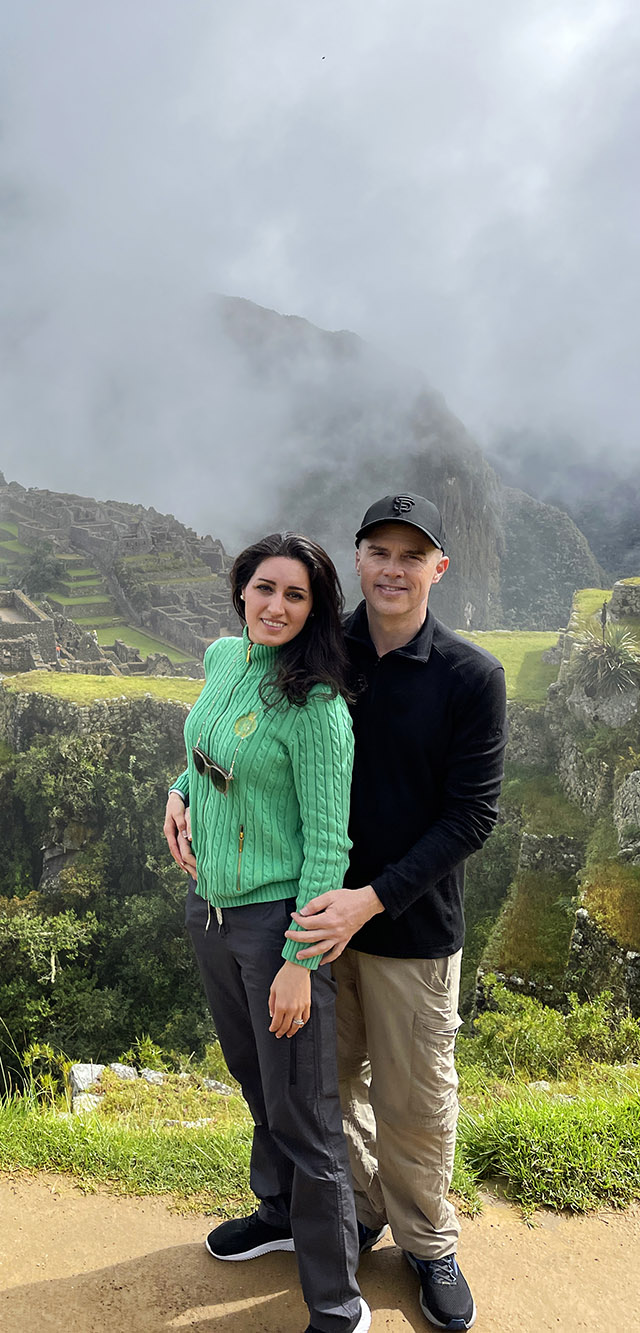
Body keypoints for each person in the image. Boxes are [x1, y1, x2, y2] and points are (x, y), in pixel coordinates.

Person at [284, 494, 506, 1332]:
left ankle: (427, 1239)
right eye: (379, 551)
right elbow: (248, 737)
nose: (393, 568)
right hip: (314, 916)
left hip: (409, 929)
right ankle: (359, 1210)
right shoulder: (319, 652)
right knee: (326, 1086)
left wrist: (369, 900)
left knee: (417, 1097)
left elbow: (470, 817)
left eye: (412, 555)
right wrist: (182, 788)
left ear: (438, 568)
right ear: (359, 558)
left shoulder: (469, 678)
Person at [163, 532, 370, 1333]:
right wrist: (177, 791)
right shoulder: (224, 658)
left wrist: (296, 960)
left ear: (315, 609)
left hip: (277, 923)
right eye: (264, 588)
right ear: (241, 590)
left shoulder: (317, 709)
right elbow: (205, 746)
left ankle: (336, 1301)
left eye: (295, 595)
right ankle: (276, 1212)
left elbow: (328, 845)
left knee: (307, 1113)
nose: (275, 606)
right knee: (257, 1080)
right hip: (211, 912)